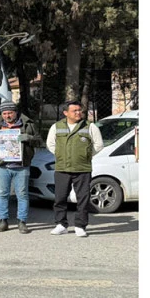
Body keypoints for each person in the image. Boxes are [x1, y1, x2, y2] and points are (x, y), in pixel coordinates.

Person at [48, 101, 104, 237]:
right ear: (66, 113)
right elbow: (50, 144)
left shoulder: (90, 127)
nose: (78, 113)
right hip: (62, 168)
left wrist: (86, 155)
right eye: (75, 111)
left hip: (82, 169)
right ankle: (61, 224)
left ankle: (80, 226)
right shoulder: (57, 126)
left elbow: (99, 144)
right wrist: (61, 155)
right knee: (60, 198)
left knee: (83, 199)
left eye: (80, 110)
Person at [0, 101, 37, 234]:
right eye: (4, 113)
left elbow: (39, 140)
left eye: (10, 112)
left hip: (21, 166)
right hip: (3, 166)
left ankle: (22, 221)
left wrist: (29, 138)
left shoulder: (28, 124)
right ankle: (3, 220)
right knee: (2, 194)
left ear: (15, 112)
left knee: (22, 195)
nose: (7, 116)